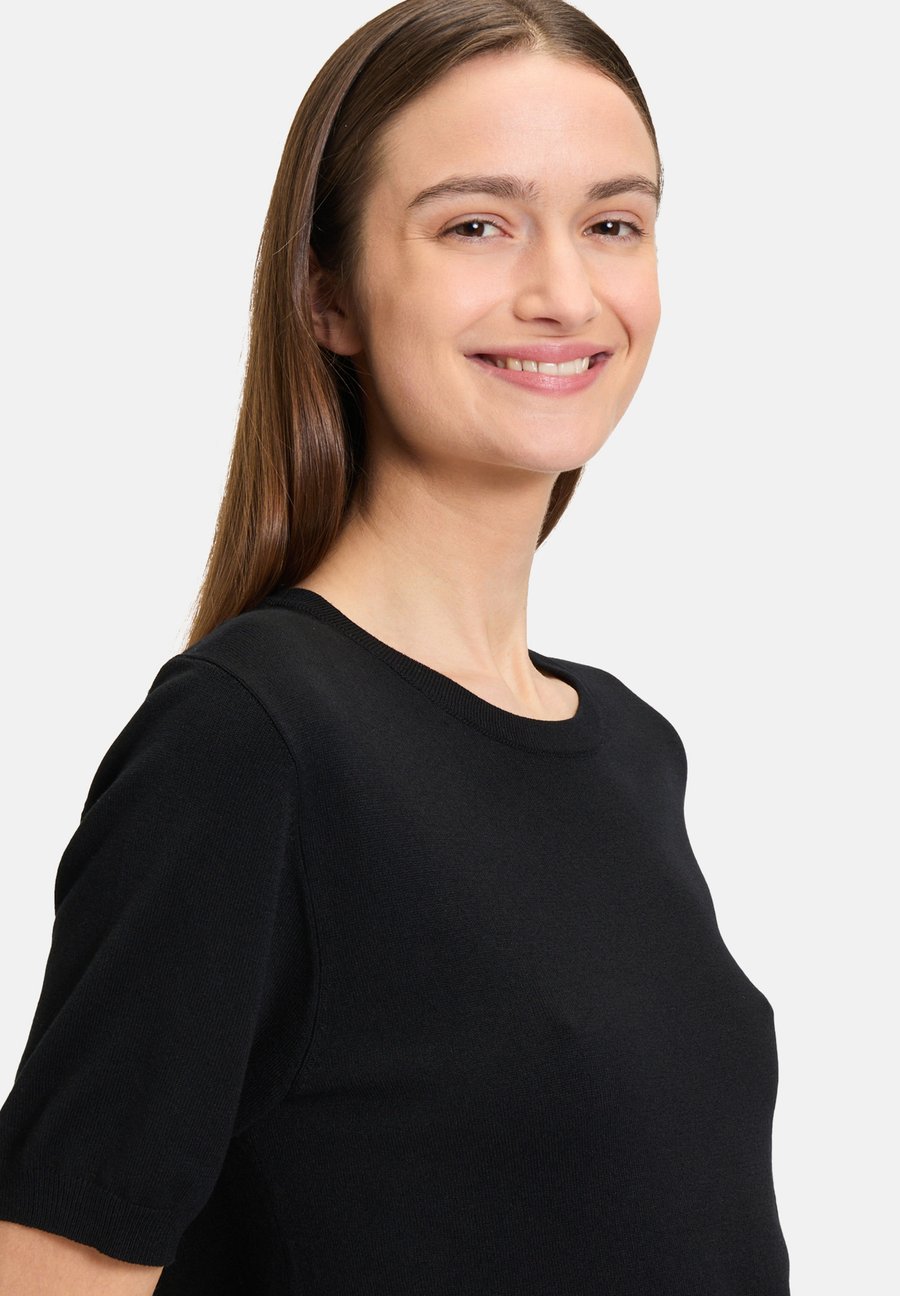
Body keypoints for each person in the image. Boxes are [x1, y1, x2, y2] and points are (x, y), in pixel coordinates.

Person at [0, 0, 792, 1291]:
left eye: (613, 223)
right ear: (329, 296)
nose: (564, 293)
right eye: (476, 225)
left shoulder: (634, 750)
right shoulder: (250, 742)